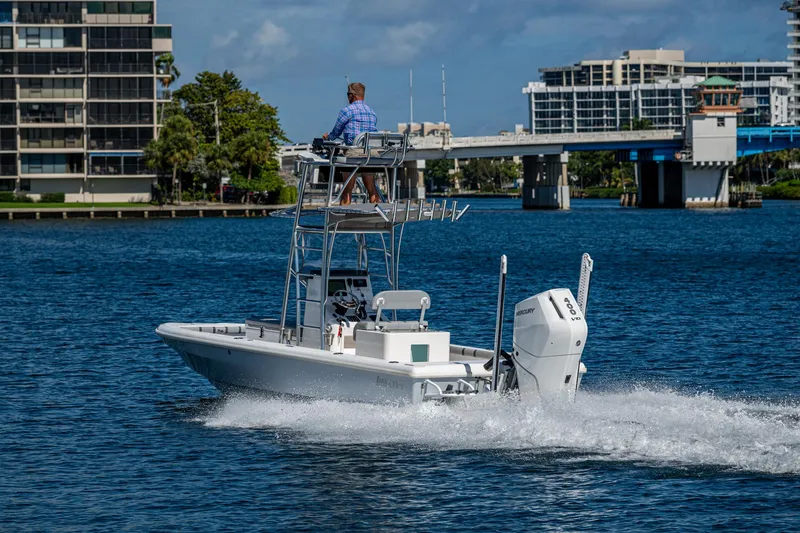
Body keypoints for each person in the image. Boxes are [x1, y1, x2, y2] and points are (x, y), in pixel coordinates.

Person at [323, 82, 380, 205]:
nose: (347, 97)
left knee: (347, 188)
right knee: (371, 187)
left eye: (348, 94)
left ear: (353, 95)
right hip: (372, 154)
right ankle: (377, 214)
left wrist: (328, 137)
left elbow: (336, 132)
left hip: (354, 154)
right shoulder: (372, 112)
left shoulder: (347, 111)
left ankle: (343, 217)